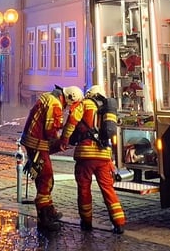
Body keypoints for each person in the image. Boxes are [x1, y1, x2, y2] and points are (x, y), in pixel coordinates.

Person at [63, 84, 126, 234]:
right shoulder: (106, 108)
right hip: (104, 156)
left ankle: (86, 222)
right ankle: (119, 223)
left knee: (84, 189)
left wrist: (64, 140)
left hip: (85, 155)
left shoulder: (84, 104)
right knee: (108, 189)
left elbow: (72, 122)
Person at [19, 85, 83, 232]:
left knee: (44, 177)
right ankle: (44, 217)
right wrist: (61, 141)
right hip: (37, 144)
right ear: (70, 98)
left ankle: (49, 210)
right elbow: (50, 131)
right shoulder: (55, 104)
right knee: (46, 178)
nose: (69, 107)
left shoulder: (49, 97)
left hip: (34, 142)